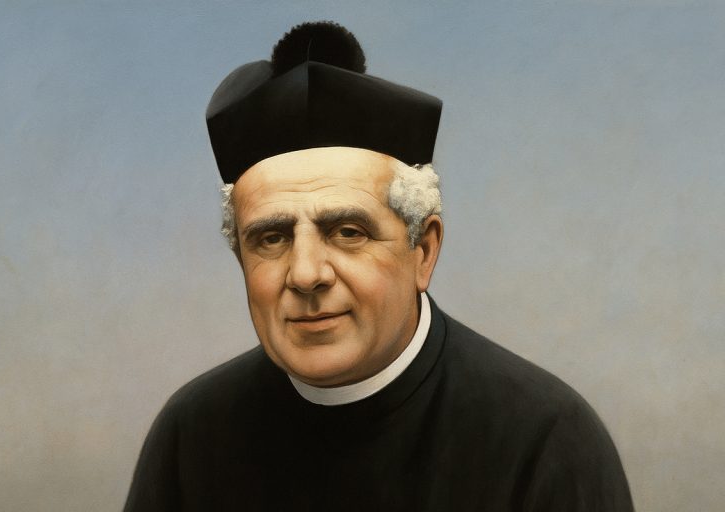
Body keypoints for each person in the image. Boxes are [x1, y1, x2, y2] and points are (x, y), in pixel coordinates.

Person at [124, 21, 634, 511]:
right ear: (241, 258)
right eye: (272, 238)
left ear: (423, 251)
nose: (306, 274)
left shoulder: (547, 440)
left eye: (347, 232)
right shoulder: (189, 436)